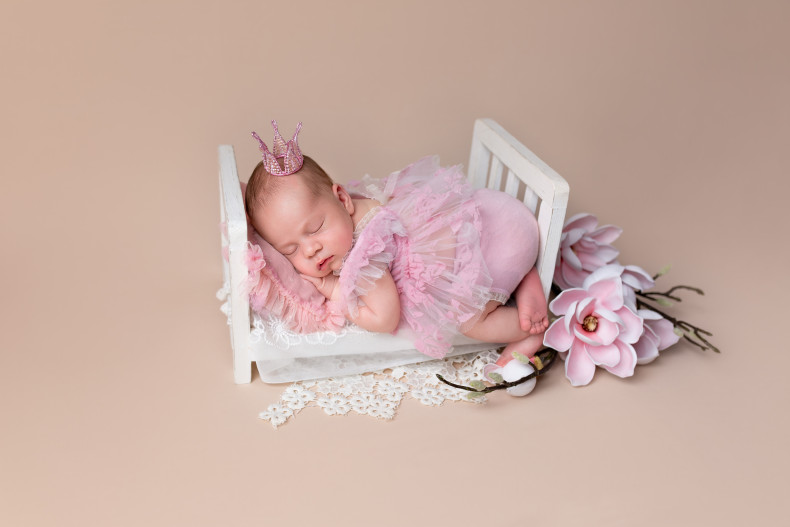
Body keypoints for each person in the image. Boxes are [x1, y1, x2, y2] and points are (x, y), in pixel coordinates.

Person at [245, 121, 548, 369]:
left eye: (315, 229)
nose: (310, 250)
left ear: (342, 198)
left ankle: (530, 331)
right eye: (290, 251)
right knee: (477, 260)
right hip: (495, 213)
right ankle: (525, 277)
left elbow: (384, 319)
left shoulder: (366, 256)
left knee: (470, 320)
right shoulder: (360, 205)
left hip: (507, 241)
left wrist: (333, 289)